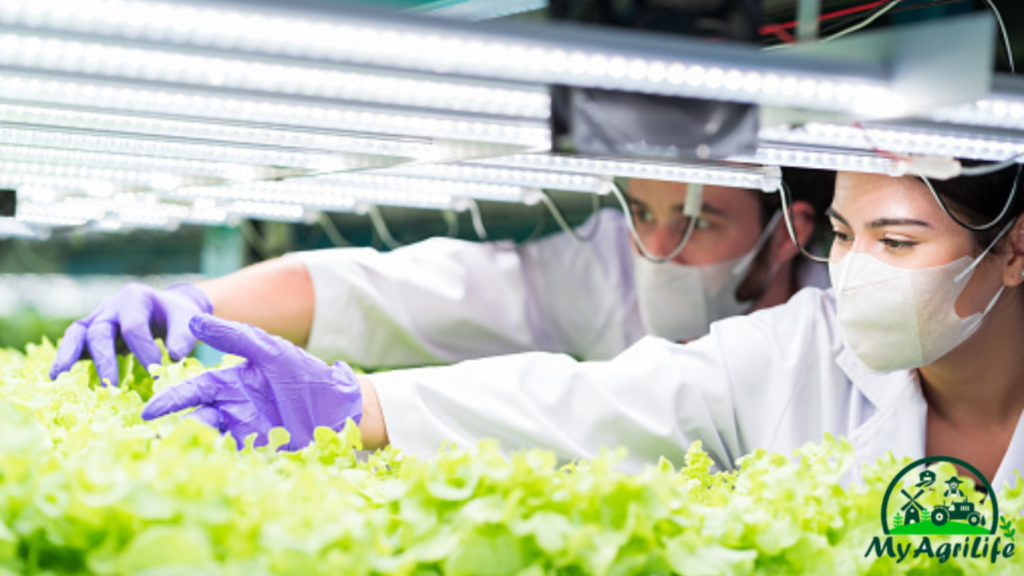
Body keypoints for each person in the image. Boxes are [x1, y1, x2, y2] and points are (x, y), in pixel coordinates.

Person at [138, 165, 1024, 495]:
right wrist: (358, 403)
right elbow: (588, 401)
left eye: (897, 241)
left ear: (1013, 248)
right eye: (842, 237)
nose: (857, 270)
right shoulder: (798, 349)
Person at [49, 169, 830, 386]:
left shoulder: (846, 318)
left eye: (699, 223)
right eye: (641, 210)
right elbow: (396, 290)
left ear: (786, 234)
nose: (655, 248)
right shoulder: (597, 266)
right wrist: (194, 301)